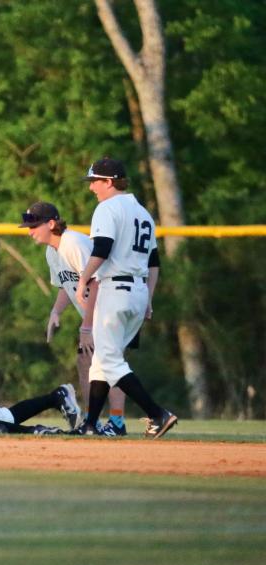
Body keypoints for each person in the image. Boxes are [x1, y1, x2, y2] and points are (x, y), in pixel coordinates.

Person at [73, 157, 177, 438]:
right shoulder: (142, 212)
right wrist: (149, 299)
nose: (91, 187)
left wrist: (83, 277)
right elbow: (154, 261)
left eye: (94, 181)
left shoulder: (107, 208)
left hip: (115, 291)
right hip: (138, 291)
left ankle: (157, 414)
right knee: (104, 361)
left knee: (110, 361)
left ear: (108, 182)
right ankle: (91, 424)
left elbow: (102, 248)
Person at [21, 201, 127, 436]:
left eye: (34, 226)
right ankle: (93, 421)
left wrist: (87, 326)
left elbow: (97, 282)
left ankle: (117, 422)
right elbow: (65, 285)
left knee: (110, 366)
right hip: (95, 316)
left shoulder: (73, 243)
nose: (29, 232)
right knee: (86, 364)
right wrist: (55, 312)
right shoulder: (52, 251)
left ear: (51, 224)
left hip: (109, 311)